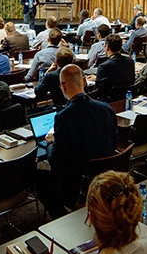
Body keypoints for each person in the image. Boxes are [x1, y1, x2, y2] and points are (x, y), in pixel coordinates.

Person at [45, 64, 117, 216]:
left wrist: (50, 143)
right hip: (107, 176)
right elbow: (114, 144)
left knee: (41, 180)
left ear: (63, 86)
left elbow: (57, 160)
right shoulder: (106, 108)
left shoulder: (64, 117)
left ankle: (62, 218)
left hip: (77, 183)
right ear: (84, 81)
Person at [91, 34, 135, 101]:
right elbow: (119, 78)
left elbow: (97, 91)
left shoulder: (103, 67)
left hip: (108, 100)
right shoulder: (130, 61)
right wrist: (97, 78)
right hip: (126, 97)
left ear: (107, 47)